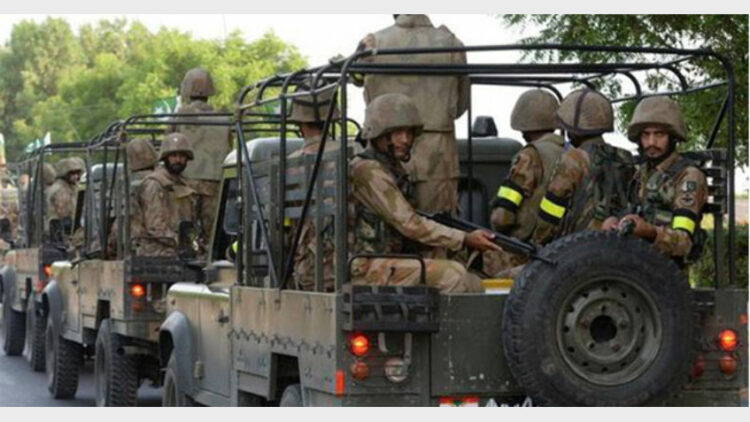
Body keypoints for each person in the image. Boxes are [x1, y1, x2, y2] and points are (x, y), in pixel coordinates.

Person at [350, 93, 500, 293]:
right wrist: (463, 238)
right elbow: (409, 223)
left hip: (384, 260)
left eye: (410, 132)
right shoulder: (368, 170)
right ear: (378, 133)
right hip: (366, 267)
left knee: (465, 272)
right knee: (453, 275)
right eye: (397, 132)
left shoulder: (391, 169)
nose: (405, 139)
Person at [355, 14, 469, 218]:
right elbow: (461, 106)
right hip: (437, 158)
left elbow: (355, 77)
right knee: (440, 227)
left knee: (384, 225)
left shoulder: (372, 43)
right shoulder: (452, 44)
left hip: (383, 152)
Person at [602, 96, 707, 262]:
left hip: (667, 269)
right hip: (638, 261)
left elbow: (684, 243)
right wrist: (615, 221)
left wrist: (650, 232)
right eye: (646, 135)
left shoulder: (688, 176)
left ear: (673, 137)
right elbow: (635, 211)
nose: (651, 142)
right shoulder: (643, 173)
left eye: (659, 134)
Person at [530, 89, 635, 246]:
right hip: (620, 244)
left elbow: (552, 208)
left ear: (574, 129)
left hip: (580, 246)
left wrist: (538, 241)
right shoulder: (625, 157)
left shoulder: (574, 158)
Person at [484, 89, 564, 276]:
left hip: (524, 251)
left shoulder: (529, 155)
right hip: (560, 246)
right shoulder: (571, 153)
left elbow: (501, 218)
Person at [287, 81, 340, 291]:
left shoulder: (289, 164)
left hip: (312, 269)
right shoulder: (356, 153)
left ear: (300, 123)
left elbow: (281, 227)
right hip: (358, 264)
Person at [172, 68, 232, 244]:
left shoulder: (179, 116)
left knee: (185, 232)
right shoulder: (224, 119)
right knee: (212, 235)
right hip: (216, 186)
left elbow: (169, 145)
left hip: (185, 184)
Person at [136, 133, 197, 257]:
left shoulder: (184, 183)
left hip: (178, 251)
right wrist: (181, 243)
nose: (178, 160)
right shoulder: (154, 183)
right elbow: (155, 226)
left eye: (182, 156)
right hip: (157, 252)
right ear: (165, 158)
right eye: (173, 156)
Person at [46, 157, 85, 234]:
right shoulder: (61, 189)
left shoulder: (69, 186)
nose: (76, 176)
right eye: (72, 173)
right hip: (61, 228)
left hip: (65, 226)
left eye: (78, 173)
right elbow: (64, 213)